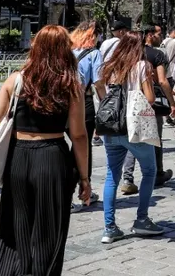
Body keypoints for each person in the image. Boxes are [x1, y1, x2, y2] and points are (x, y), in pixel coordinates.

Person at [0, 25, 89, 276]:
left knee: (15, 222)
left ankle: (10, 271)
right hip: (52, 155)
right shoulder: (70, 84)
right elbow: (78, 134)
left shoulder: (16, 79)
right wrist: (85, 177)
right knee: (49, 229)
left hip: (19, 155)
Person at [93, 31, 162, 242]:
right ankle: (141, 219)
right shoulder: (141, 66)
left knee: (112, 175)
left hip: (112, 128)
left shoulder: (109, 67)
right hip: (135, 128)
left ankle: (109, 227)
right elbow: (149, 98)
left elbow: (98, 87)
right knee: (149, 171)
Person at [122, 25, 175, 195]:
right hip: (148, 103)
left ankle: (127, 178)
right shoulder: (156, 55)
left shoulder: (127, 56)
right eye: (158, 34)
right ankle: (157, 173)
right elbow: (162, 81)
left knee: (133, 138)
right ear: (149, 36)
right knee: (154, 138)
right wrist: (172, 103)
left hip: (129, 103)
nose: (160, 37)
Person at [70, 22, 102, 211]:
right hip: (84, 101)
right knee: (83, 147)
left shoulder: (68, 50)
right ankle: (84, 190)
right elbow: (98, 82)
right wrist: (106, 101)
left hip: (63, 102)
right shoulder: (94, 53)